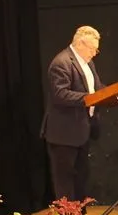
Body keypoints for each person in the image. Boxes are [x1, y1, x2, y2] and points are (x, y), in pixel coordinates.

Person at [40, 25, 105, 202]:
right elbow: (60, 94)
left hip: (82, 130)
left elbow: (97, 88)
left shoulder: (88, 63)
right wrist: (89, 98)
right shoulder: (61, 62)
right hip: (64, 133)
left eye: (96, 49)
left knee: (81, 178)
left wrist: (114, 92)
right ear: (80, 44)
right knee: (65, 180)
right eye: (92, 49)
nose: (94, 53)